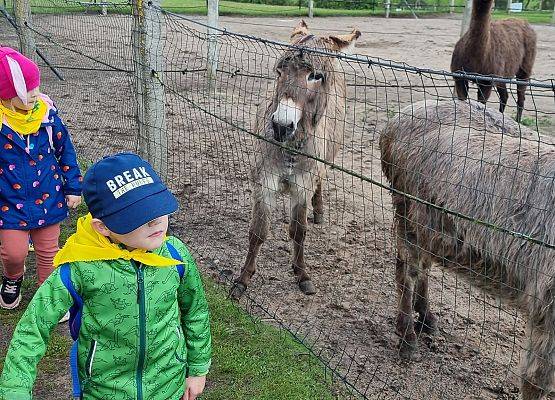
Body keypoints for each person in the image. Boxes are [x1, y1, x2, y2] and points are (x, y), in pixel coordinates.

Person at [0, 152, 211, 400]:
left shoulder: (176, 255)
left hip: (168, 387)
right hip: (104, 392)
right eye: (139, 215)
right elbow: (33, 327)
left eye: (158, 207)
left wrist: (197, 369)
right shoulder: (81, 267)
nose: (156, 221)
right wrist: (15, 389)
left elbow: (195, 311)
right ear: (103, 227)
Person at [0, 47, 82, 310]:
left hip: (49, 197)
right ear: (6, 96)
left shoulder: (47, 116)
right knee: (14, 253)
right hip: (8, 203)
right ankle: (13, 277)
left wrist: (73, 187)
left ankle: (49, 297)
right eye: (27, 90)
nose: (35, 93)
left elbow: (65, 151)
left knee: (49, 252)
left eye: (36, 85)